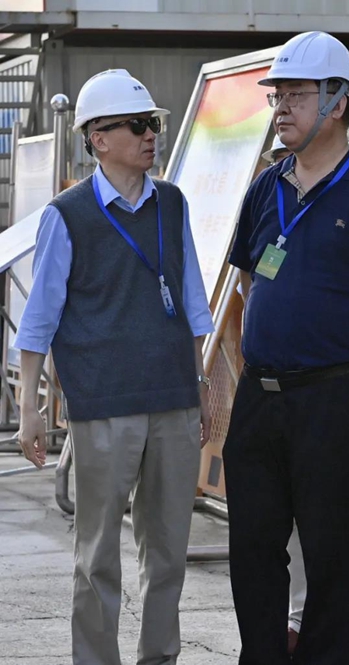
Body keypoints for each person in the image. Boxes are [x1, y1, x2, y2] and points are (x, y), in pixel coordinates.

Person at [224, 31, 349, 665]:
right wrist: (255, 356)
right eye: (276, 95)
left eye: (296, 94)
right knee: (253, 545)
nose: (280, 106)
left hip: (334, 396)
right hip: (260, 395)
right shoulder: (266, 188)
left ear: (338, 102)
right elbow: (247, 282)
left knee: (329, 549)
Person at [14, 68, 214, 665]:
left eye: (154, 124)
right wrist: (29, 409)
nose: (151, 135)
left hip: (174, 403)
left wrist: (202, 384)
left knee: (169, 553)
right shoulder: (66, 215)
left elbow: (194, 302)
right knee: (97, 555)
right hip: (103, 408)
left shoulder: (172, 203)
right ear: (98, 138)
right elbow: (39, 319)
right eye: (137, 125)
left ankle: (161, 658)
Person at [261, 130, 349, 665]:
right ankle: (299, 619)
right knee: (295, 518)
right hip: (283, 393)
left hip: (337, 391)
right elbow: (254, 283)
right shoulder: (274, 205)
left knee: (347, 520)